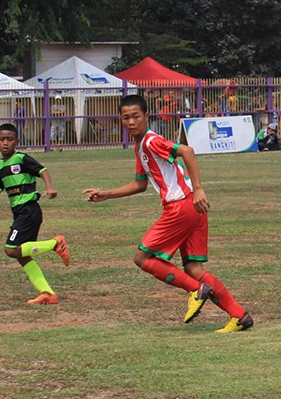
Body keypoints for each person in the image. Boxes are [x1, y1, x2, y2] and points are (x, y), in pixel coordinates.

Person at [82, 96, 252, 331]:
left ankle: (195, 290)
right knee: (194, 269)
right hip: (194, 208)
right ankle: (239, 315)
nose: (131, 121)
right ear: (120, 120)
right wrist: (106, 194)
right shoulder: (140, 146)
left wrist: (199, 188)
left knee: (142, 258)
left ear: (146, 116)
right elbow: (139, 184)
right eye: (126, 117)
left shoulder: (151, 142)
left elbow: (187, 151)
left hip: (181, 206)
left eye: (136, 116)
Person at [0, 123, 70, 305]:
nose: (5, 143)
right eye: (2, 139)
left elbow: (42, 170)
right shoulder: (0, 165)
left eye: (9, 140)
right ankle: (48, 293)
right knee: (22, 255)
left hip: (29, 210)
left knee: (11, 250)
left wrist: (49, 187)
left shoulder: (21, 159)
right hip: (19, 213)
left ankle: (54, 243)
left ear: (16, 141)